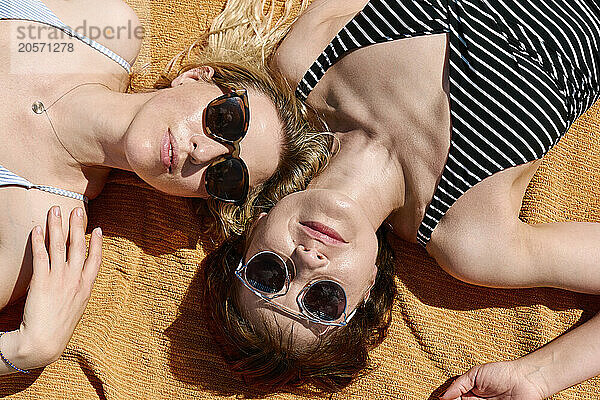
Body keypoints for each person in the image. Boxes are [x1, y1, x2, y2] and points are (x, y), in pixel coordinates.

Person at [202, 0, 600, 397]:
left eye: (268, 275)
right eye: (324, 299)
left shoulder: (303, 62)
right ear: (369, 286)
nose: (307, 261)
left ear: (253, 230)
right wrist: (538, 376)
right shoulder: (471, 238)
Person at [0, 0, 330, 375]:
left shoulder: (36, 234)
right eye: (224, 120)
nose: (203, 152)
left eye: (225, 176)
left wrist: (25, 351)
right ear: (194, 77)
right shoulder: (104, 28)